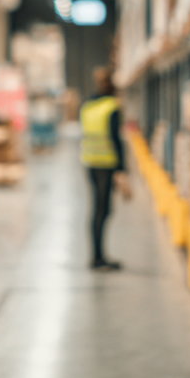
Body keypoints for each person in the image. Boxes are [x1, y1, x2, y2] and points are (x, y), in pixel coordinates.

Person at [80, 68, 129, 270]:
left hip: (90, 162)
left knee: (98, 210)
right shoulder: (111, 106)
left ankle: (97, 255)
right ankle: (98, 258)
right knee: (103, 210)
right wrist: (122, 168)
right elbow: (115, 138)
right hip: (106, 164)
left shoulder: (88, 106)